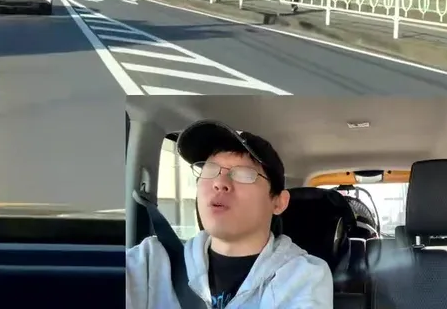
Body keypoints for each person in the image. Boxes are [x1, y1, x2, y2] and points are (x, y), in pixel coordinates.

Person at [126, 120, 333, 308]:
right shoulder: (151, 261)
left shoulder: (304, 276)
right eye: (209, 169)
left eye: (243, 174)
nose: (219, 183)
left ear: (279, 202)